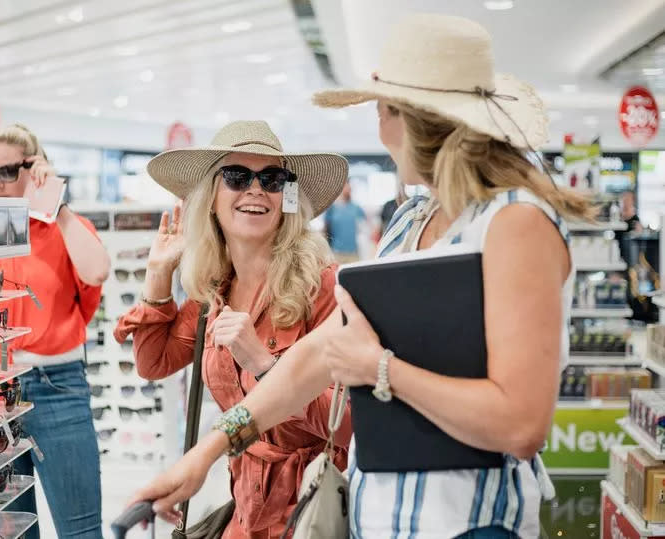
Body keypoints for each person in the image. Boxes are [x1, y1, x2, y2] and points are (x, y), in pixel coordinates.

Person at [129, 14, 593, 539]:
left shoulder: (514, 223)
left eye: (380, 106)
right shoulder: (412, 221)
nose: (377, 121)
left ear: (402, 117)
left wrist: (381, 370)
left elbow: (522, 426)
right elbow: (313, 359)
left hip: (468, 523)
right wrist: (207, 454)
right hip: (382, 519)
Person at [114, 120, 352, 538]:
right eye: (237, 177)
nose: (256, 190)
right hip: (245, 509)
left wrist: (263, 363)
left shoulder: (322, 286)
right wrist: (157, 272)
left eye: (273, 179)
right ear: (211, 198)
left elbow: (348, 421)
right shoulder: (214, 292)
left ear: (287, 197)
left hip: (310, 513)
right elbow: (153, 364)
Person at [0, 124, 110, 538]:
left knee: (81, 531)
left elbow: (97, 270)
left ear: (35, 169)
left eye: (7, 172)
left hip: (56, 385)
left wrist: (56, 206)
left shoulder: (63, 228)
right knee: (11, 532)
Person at [323, 181, 366, 263]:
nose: (348, 190)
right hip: (336, 252)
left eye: (349, 188)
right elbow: (325, 229)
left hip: (353, 252)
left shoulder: (356, 208)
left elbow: (366, 225)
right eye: (345, 188)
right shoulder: (332, 208)